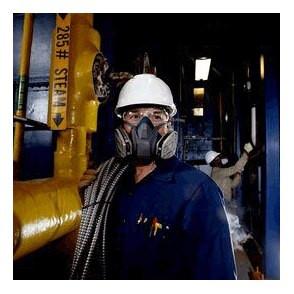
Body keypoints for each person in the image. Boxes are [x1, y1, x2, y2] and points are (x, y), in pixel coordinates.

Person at [71, 74, 236, 280]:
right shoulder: (107, 184)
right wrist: (81, 199)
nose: (145, 127)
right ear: (122, 125)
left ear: (169, 126)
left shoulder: (199, 191)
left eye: (157, 116)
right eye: (134, 115)